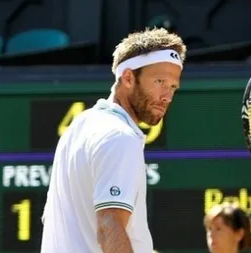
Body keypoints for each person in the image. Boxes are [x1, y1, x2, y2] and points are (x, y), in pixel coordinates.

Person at [40, 28, 187, 253]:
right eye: (159, 81)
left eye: (173, 87)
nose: (167, 96)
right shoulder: (120, 137)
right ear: (128, 77)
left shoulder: (79, 126)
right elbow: (109, 227)